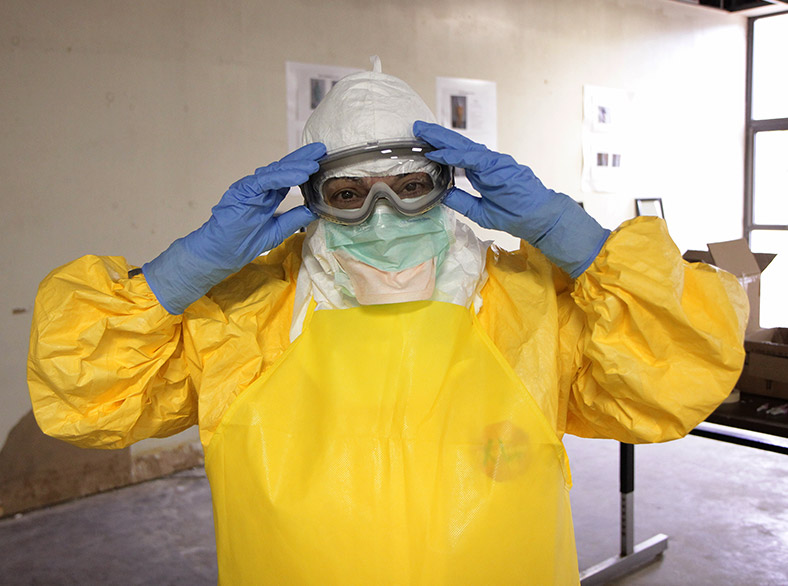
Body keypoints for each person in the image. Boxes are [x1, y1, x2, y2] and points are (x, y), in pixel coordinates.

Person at [27, 58, 748, 584]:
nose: (380, 215)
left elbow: (680, 376)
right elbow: (86, 398)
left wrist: (576, 238)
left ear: (445, 184)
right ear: (311, 196)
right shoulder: (242, 320)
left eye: (408, 186)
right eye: (348, 191)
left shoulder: (527, 309)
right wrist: (179, 275)